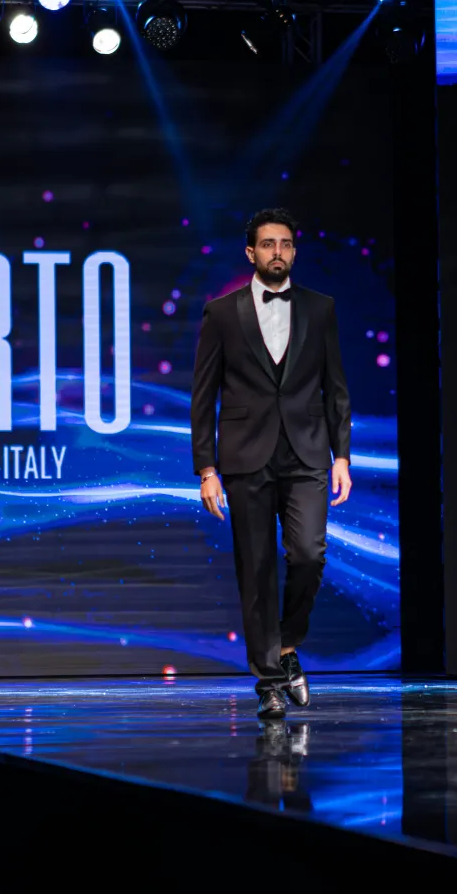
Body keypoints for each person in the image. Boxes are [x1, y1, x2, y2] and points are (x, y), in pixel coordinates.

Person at [190, 208, 352, 719]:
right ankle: (268, 683)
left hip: (308, 451)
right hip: (245, 456)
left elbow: (336, 388)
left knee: (308, 554)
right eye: (267, 244)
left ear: (294, 252)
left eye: (284, 244)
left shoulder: (320, 309)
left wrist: (342, 456)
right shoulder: (222, 313)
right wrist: (206, 468)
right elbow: (203, 395)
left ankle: (286, 644)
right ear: (251, 253)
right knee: (256, 568)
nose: (276, 251)